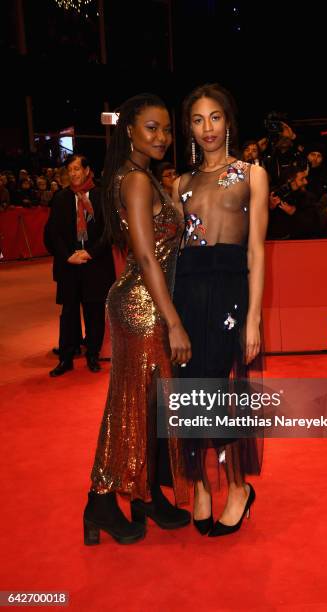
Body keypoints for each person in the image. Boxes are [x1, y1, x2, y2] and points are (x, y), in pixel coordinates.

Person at [84, 94, 191, 546]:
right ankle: (101, 500)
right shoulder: (136, 181)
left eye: (166, 129)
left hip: (146, 302)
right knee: (135, 407)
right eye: (152, 128)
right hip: (143, 306)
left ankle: (144, 497)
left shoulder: (138, 176)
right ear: (128, 129)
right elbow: (145, 257)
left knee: (148, 409)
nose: (162, 137)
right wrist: (174, 322)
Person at [173, 83, 269, 537]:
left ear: (228, 121)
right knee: (190, 391)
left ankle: (237, 486)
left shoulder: (251, 174)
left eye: (214, 117)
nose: (207, 127)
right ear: (188, 127)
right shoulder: (181, 182)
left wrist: (252, 317)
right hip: (187, 295)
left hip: (229, 293)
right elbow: (172, 253)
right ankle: (200, 485)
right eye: (197, 119)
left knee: (212, 387)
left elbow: (256, 250)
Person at [47, 154, 115, 377]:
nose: (73, 173)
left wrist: (90, 253)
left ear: (87, 171)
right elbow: (52, 234)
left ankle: (92, 355)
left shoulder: (101, 196)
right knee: (68, 313)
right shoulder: (61, 198)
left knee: (94, 312)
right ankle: (66, 358)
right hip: (69, 265)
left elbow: (108, 232)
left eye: (77, 169)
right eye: (70, 170)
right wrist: (68, 256)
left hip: (95, 264)